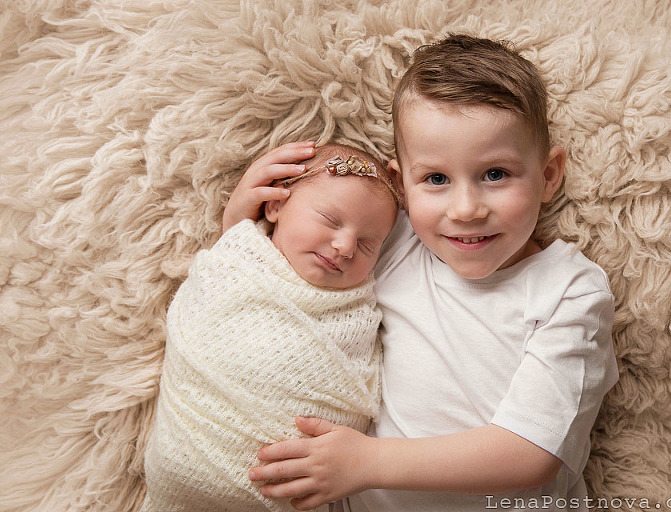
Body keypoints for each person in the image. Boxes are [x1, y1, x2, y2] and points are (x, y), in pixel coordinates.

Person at [238, 35, 620, 512]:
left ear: (548, 175)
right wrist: (241, 218)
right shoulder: (395, 244)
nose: (465, 210)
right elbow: (278, 279)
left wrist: (366, 463)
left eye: (496, 174)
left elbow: (531, 452)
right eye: (436, 179)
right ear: (401, 185)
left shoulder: (569, 289)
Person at [141, 143, 401, 512]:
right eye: (329, 220)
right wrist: (234, 222)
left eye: (367, 244)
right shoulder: (237, 261)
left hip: (296, 487)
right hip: (184, 457)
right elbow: (214, 287)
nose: (344, 246)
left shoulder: (359, 307)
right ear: (276, 205)